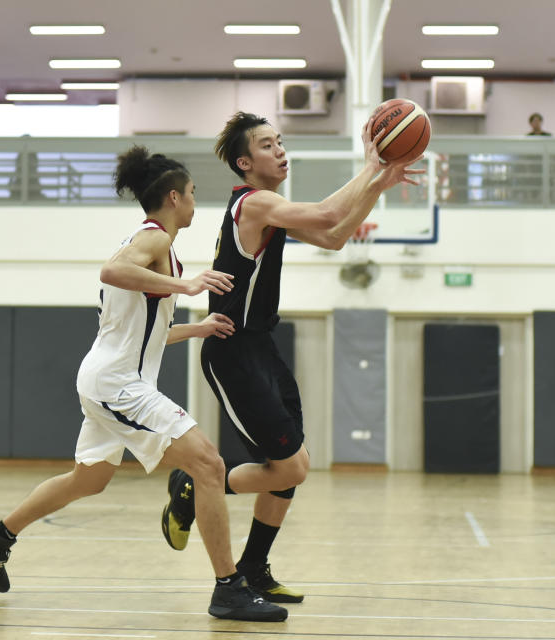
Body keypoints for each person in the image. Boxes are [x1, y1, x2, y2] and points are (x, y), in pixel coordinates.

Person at [0, 145, 288, 623]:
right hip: (119, 384)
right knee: (207, 463)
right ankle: (229, 587)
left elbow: (146, 333)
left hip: (110, 377)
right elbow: (111, 269)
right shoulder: (153, 240)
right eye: (194, 194)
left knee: (89, 479)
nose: (197, 203)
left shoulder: (159, 248)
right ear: (175, 197)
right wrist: (189, 286)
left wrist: (196, 328)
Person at [160, 112, 424, 603]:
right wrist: (372, 166)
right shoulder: (253, 204)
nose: (280, 150)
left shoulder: (271, 208)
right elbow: (326, 215)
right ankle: (191, 487)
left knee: (293, 462)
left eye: (280, 142)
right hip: (232, 352)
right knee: (291, 467)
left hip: (261, 348)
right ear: (245, 162)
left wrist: (380, 183)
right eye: (267, 145)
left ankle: (255, 567)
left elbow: (333, 236)